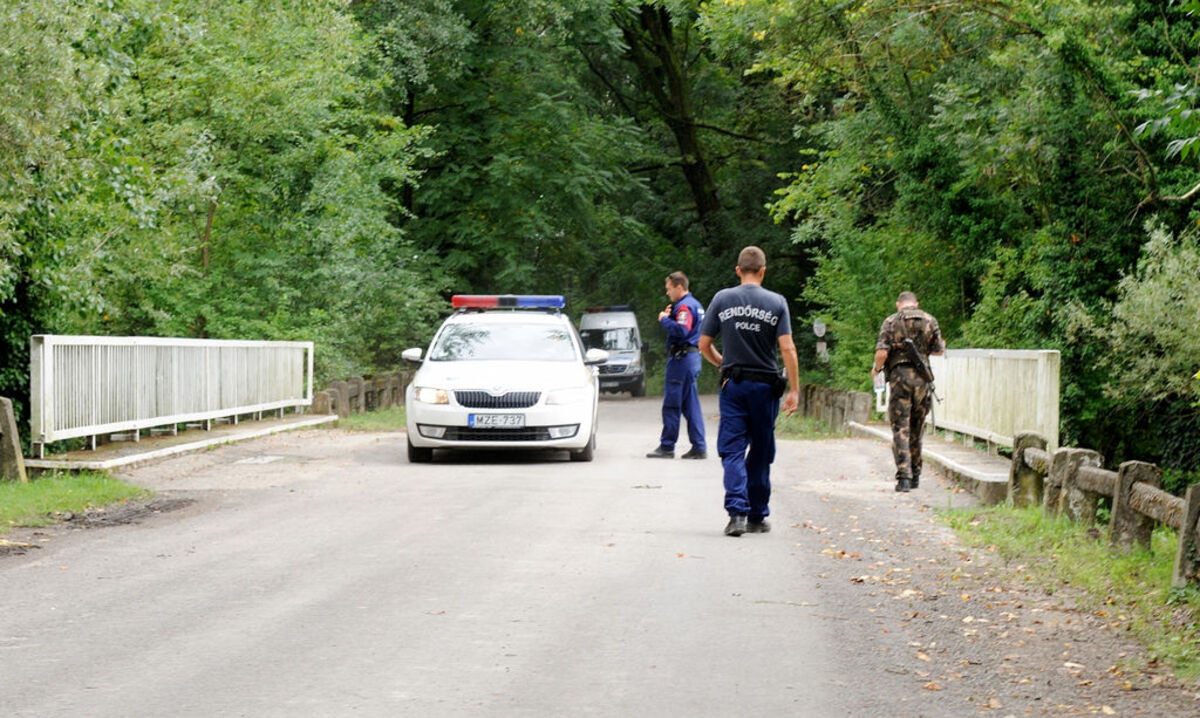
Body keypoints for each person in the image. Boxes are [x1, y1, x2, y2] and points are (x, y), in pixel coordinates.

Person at [698, 247, 799, 537]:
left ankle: (736, 514)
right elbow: (788, 348)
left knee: (732, 449)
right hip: (766, 387)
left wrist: (722, 364)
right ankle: (757, 516)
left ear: (738, 270)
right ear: (763, 271)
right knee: (761, 449)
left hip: (735, 385)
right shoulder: (777, 302)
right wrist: (794, 389)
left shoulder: (722, 298)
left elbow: (703, 344)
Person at [870, 291, 945, 493]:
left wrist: (876, 369)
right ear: (916, 304)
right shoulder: (930, 320)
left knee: (901, 427)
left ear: (898, 304)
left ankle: (903, 477)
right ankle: (916, 475)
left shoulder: (891, 322)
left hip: (899, 378)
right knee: (916, 428)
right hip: (922, 378)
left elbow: (882, 352)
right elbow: (939, 350)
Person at [646, 272, 708, 459]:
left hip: (681, 360)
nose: (668, 293)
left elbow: (682, 330)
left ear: (679, 287)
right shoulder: (695, 305)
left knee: (672, 404)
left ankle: (667, 446)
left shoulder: (685, 307)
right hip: (692, 357)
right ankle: (699, 446)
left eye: (669, 289)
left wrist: (664, 319)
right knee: (691, 406)